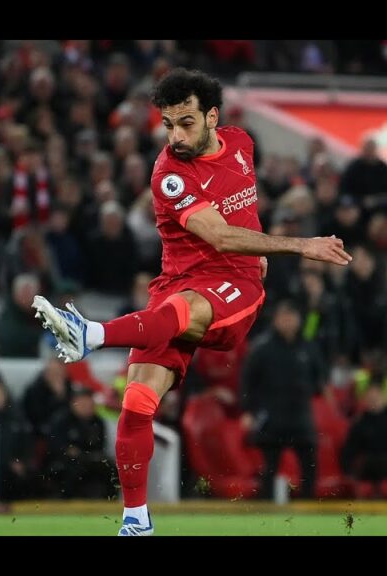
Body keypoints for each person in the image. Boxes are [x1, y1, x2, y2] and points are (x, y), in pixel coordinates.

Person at [31, 68, 352, 536]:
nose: (175, 135)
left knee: (187, 308)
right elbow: (219, 234)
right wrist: (301, 246)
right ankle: (136, 520)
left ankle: (93, 333)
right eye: (167, 124)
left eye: (185, 122)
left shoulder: (241, 142)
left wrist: (261, 254)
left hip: (234, 283)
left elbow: (239, 215)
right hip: (176, 285)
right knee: (137, 404)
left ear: (212, 118)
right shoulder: (169, 176)